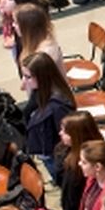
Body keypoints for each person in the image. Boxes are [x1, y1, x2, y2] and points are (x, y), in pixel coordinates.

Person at [20, 52, 76, 182]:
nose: (24, 81)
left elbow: (66, 140)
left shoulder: (59, 106)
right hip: (45, 151)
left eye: (28, 77)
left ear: (42, 77)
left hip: (54, 156)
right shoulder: (39, 91)